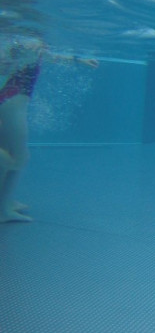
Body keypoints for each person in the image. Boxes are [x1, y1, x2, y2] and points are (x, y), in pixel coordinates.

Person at [0, 37, 98, 222]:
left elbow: (49, 56)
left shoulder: (28, 44)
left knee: (13, 156)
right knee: (18, 158)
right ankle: (3, 210)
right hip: (13, 104)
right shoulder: (29, 42)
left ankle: (5, 202)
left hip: (10, 100)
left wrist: (78, 60)